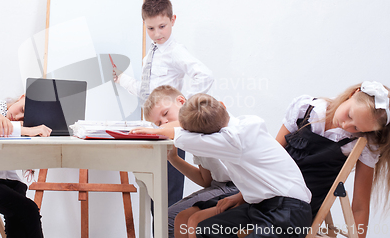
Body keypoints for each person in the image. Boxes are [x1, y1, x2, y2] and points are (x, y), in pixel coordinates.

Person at [179, 81, 390, 238]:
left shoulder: (361, 146)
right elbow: (270, 156)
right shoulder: (305, 109)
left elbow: (360, 206)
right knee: (187, 218)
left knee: (201, 224)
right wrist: (242, 195)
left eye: (357, 129)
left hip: (294, 207)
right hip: (262, 192)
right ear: (353, 93)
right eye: (350, 116)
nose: (347, 127)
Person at [139, 93, 312, 238]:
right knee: (201, 227)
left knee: (199, 225)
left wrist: (156, 131)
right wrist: (241, 197)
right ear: (223, 105)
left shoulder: (231, 140)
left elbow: (183, 137)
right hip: (261, 204)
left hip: (288, 212)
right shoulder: (246, 122)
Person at [114, 0, 215, 207]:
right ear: (144, 25)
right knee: (153, 196)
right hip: (153, 129)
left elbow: (205, 76)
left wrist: (186, 108)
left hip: (170, 130)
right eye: (151, 29)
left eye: (162, 26)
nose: (157, 34)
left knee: (168, 194)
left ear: (173, 20)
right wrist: (121, 79)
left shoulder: (175, 51)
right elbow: (145, 92)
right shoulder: (151, 54)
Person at [136, 85, 239, 238]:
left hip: (237, 186)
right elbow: (206, 180)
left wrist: (155, 131)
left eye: (166, 113)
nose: (164, 123)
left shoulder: (204, 117)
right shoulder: (191, 137)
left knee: (168, 219)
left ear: (181, 101)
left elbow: (180, 124)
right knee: (168, 216)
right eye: (158, 123)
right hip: (220, 186)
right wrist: (174, 159)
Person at [0, 93, 50, 238]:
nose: (18, 117)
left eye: (24, 120)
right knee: (30, 210)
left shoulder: (23, 129)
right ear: (22, 97)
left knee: (18, 210)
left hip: (8, 181)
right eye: (23, 109)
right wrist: (20, 128)